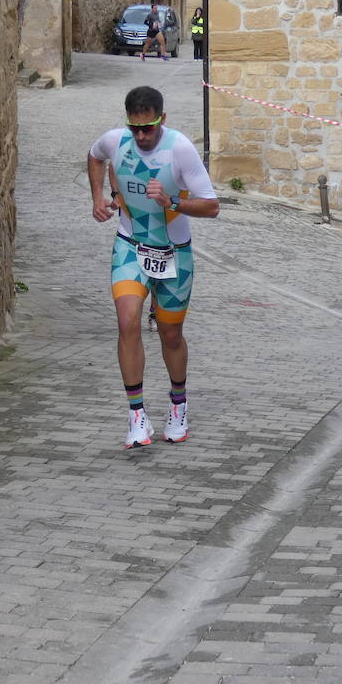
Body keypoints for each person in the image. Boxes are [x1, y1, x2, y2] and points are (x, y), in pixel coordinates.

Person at [88, 86, 219, 448]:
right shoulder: (116, 141)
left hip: (174, 252)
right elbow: (95, 156)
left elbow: (211, 206)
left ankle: (178, 405)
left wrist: (172, 200)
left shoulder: (179, 149)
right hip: (130, 246)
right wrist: (100, 196)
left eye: (149, 128)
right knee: (127, 320)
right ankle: (136, 417)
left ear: (163, 120)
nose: (142, 136)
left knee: (170, 335)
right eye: (135, 128)